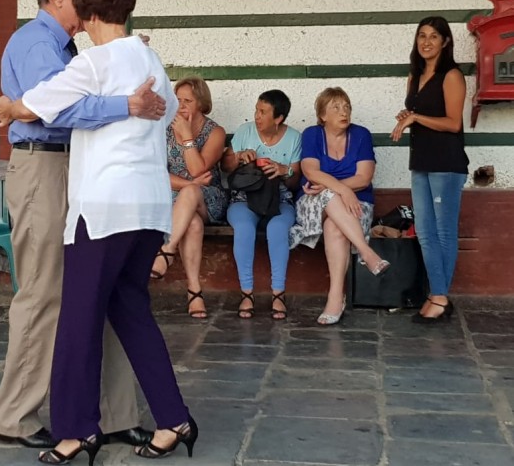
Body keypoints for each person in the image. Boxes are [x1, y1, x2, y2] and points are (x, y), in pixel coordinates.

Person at [0, 0, 196, 464]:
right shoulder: (150, 58)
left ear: (87, 12)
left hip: (102, 210)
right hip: (150, 207)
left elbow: (36, 107)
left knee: (78, 320)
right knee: (131, 312)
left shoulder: (91, 65)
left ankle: (74, 430)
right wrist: (129, 106)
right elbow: (169, 112)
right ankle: (174, 419)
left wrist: (7, 106)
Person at [289, 88, 391, 325]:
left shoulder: (361, 135)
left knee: (336, 228)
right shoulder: (312, 134)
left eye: (346, 107)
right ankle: (366, 252)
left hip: (356, 206)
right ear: (322, 114)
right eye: (336, 107)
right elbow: (310, 171)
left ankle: (335, 296)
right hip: (313, 204)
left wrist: (331, 186)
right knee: (329, 197)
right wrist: (342, 189)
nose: (343, 112)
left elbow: (364, 177)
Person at [391, 16, 468, 323]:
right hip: (420, 162)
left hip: (446, 164)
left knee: (443, 232)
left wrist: (417, 119)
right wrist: (409, 115)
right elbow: (421, 114)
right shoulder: (415, 75)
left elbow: (453, 123)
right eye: (421, 36)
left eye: (434, 36)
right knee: (424, 232)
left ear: (445, 42)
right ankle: (437, 295)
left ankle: (439, 297)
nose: (426, 42)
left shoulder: (451, 75)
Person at [150, 76, 226, 319]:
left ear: (201, 104)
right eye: (178, 100)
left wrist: (187, 137)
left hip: (208, 198)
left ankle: (167, 248)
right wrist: (189, 183)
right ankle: (195, 292)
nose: (181, 106)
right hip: (175, 197)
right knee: (191, 223)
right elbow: (158, 173)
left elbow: (198, 170)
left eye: (188, 101)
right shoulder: (164, 129)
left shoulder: (215, 132)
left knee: (192, 193)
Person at [222, 90, 301, 320]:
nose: (257, 116)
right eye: (256, 110)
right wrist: (237, 157)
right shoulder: (245, 132)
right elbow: (225, 168)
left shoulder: (294, 138)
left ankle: (278, 294)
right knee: (244, 229)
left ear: (279, 118)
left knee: (277, 229)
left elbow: (295, 182)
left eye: (263, 112)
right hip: (243, 199)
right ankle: (247, 293)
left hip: (280, 200)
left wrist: (283, 170)